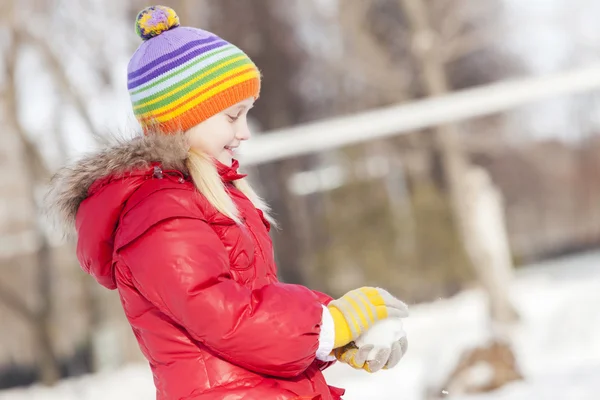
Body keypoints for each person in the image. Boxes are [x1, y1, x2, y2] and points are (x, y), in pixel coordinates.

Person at [47, 6, 408, 399]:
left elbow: (253, 303)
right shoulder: (159, 214)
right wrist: (331, 323)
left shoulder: (197, 198)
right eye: (232, 116)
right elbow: (225, 317)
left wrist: (337, 338)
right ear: (182, 118)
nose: (244, 133)